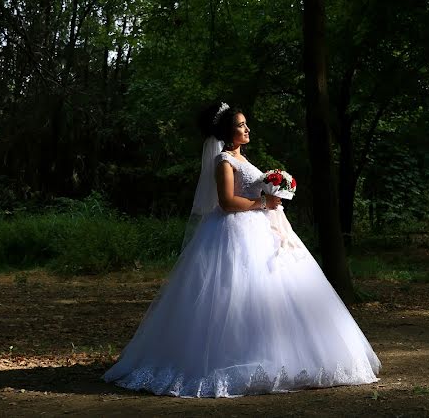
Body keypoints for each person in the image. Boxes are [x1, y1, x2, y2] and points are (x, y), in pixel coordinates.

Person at [103, 102, 381, 397]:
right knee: (233, 294)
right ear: (227, 131)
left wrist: (274, 190)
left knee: (275, 292)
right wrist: (264, 203)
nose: (247, 129)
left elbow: (249, 191)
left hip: (261, 228)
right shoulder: (224, 161)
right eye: (241, 125)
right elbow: (225, 202)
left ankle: (288, 357)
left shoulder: (243, 159)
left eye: (246, 125)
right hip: (234, 232)